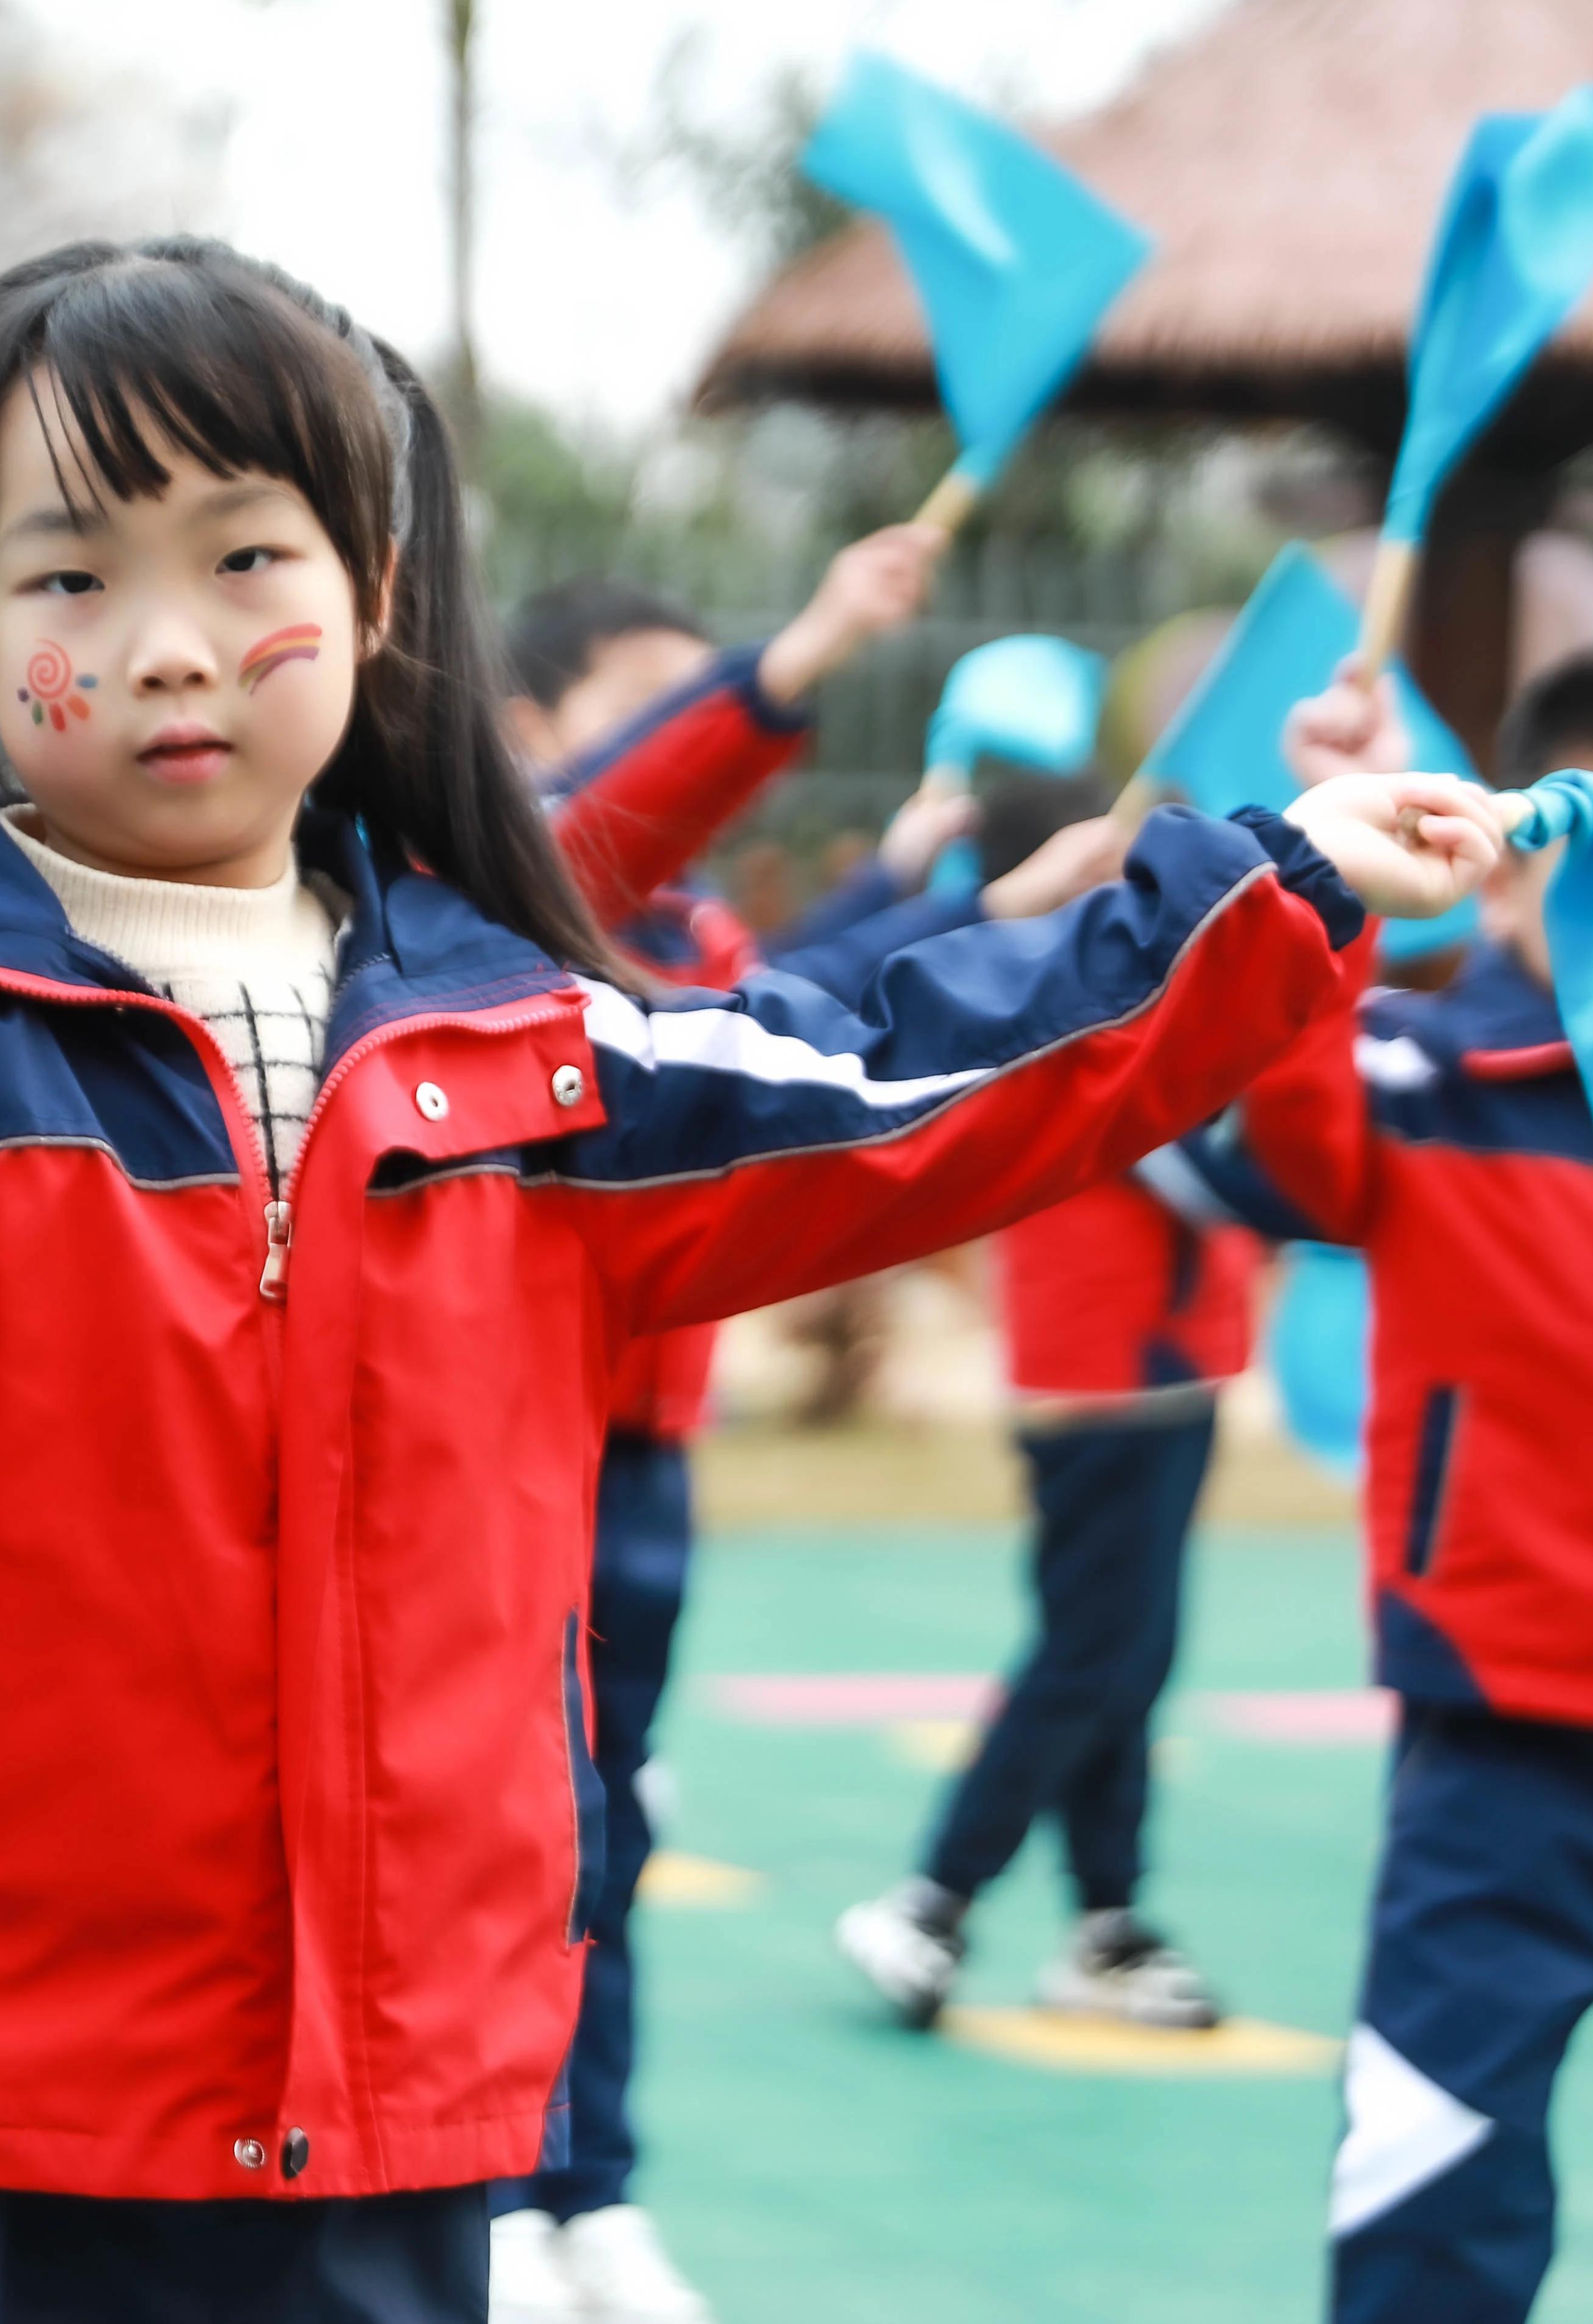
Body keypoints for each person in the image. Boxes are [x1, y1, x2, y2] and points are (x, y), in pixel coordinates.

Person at [0, 235, 1493, 2324]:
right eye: (67, 579)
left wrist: (1283, 879)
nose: (168, 647)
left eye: (243, 559)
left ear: (376, 594)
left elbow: (915, 1080)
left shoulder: (534, 1048)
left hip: (398, 2094)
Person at [1176, 628, 1593, 2324]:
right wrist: (1324, 851)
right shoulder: (1419, 1090)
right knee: (1428, 2229)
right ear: (1497, 871)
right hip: (1497, 1780)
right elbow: (1254, 1114)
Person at [487, 585, 1125, 2324]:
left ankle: (585, 2186)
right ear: (540, 732)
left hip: (647, 1459)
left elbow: (793, 1011)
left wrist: (988, 906)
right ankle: (486, 2190)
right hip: (512, 1450)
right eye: (661, 704)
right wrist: (797, 654)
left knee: (600, 1835)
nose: (699, 732)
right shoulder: (489, 908)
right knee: (502, 1837)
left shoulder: (686, 919)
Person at [833, 770, 1257, 2038]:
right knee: (1092, 1653)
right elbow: (1210, 1169)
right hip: (1101, 1370)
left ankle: (1105, 1922)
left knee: (1125, 1653)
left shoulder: (1147, 995)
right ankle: (933, 1896)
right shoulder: (1096, 1000)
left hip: (1161, 1362)